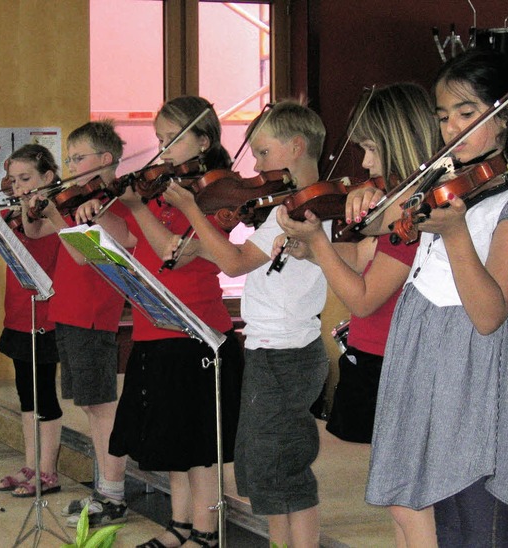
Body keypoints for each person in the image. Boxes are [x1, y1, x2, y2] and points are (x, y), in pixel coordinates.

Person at [347, 49, 508, 547]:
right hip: (424, 358)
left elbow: (489, 314)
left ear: (507, 113)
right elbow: (379, 220)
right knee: (437, 520)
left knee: (477, 527)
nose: (451, 128)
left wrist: (455, 232)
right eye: (444, 117)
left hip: (481, 365)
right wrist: (358, 200)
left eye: (467, 113)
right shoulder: (443, 185)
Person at [74, 95, 244, 548]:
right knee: (172, 444)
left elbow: (175, 250)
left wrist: (140, 206)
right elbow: (131, 239)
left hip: (195, 331)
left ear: (203, 140)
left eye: (172, 139)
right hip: (154, 327)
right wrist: (99, 217)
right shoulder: (162, 191)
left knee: (200, 449)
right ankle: (180, 526)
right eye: (160, 139)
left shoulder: (214, 194)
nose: (162, 149)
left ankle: (207, 533)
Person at [162, 99, 329, 548]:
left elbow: (235, 264)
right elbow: (239, 260)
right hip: (268, 347)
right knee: (261, 466)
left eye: (263, 152)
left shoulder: (310, 210)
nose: (254, 165)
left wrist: (192, 209)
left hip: (287, 352)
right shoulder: (280, 208)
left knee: (282, 464)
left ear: (296, 147)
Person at [274, 84, 439, 450]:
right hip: (370, 352)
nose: (364, 163)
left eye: (372, 149)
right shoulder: (394, 200)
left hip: (390, 360)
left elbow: (363, 300)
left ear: (402, 141)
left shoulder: (414, 211)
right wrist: (310, 250)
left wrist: (318, 241)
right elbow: (364, 256)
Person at [22, 121, 131, 527]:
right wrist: (32, 204)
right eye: (67, 159)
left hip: (92, 315)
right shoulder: (79, 203)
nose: (70, 166)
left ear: (105, 160)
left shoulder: (115, 207)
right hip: (66, 312)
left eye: (77, 158)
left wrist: (57, 214)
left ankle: (113, 493)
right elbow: (33, 232)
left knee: (102, 406)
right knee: (89, 404)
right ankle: (105, 489)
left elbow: (87, 254)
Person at [0, 144, 62, 497]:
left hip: (45, 316)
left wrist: (22, 207)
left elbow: (35, 235)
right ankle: (31, 464)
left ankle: (48, 472)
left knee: (44, 394)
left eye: (26, 179)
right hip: (19, 311)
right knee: (25, 396)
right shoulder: (21, 211)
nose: (19, 187)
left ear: (48, 178)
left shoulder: (52, 212)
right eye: (14, 180)